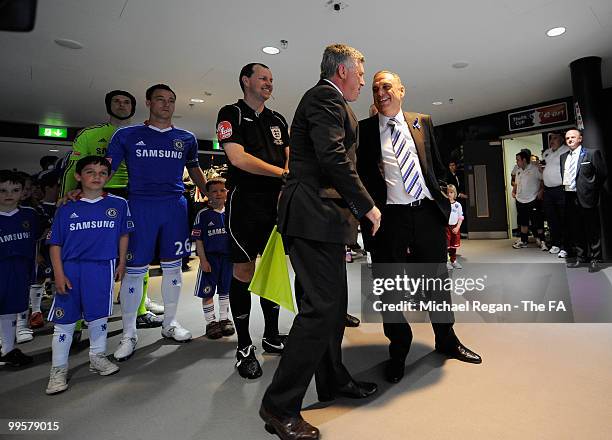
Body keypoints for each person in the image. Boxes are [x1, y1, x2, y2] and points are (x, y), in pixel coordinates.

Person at [260, 44, 381, 440]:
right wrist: (367, 206)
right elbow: (332, 157)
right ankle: (279, 406)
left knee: (332, 308)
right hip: (311, 215)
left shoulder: (332, 101)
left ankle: (333, 381)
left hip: (323, 219)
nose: (363, 81)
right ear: (343, 70)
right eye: (361, 74)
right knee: (320, 310)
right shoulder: (323, 97)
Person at [356, 70, 481, 385]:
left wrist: (443, 190)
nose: (380, 93)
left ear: (401, 90)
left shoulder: (420, 121)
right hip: (389, 218)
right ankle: (398, 346)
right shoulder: (364, 130)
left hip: (426, 213)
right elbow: (356, 176)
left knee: (437, 280)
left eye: (386, 87)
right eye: (374, 89)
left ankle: (446, 338)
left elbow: (434, 164)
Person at [106, 84, 208, 360]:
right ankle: (129, 333)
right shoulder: (126, 135)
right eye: (160, 99)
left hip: (174, 207)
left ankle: (170, 323)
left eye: (171, 100)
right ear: (148, 102)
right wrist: (85, 192)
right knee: (135, 270)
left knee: (173, 267)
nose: (166, 104)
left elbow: (195, 168)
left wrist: (210, 193)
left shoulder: (186, 137)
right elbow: (107, 168)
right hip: (139, 206)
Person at [59, 90, 164, 341]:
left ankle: (139, 309)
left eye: (127, 102)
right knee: (85, 255)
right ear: (109, 106)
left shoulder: (141, 133)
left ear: (134, 107)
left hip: (134, 196)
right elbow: (74, 169)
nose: (122, 105)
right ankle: (74, 322)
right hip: (95, 196)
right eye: (117, 101)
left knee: (138, 253)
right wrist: (66, 198)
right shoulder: (90, 134)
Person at [216, 63, 289, 378]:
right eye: (263, 78)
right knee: (244, 270)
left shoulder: (277, 119)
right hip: (244, 203)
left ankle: (271, 337)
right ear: (245, 80)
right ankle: (244, 347)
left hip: (275, 205)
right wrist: (283, 174)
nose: (269, 83)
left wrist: (286, 176)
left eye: (272, 79)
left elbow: (288, 154)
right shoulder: (230, 113)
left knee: (273, 269)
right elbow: (238, 158)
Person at [45, 156, 132, 394]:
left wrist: (122, 262)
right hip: (70, 268)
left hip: (102, 267)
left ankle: (97, 357)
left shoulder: (119, 204)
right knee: (65, 323)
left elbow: (124, 234)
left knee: (98, 318)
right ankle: (58, 369)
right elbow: (55, 244)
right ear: (78, 176)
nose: (97, 177)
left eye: (103, 172)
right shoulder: (66, 206)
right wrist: (59, 274)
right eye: (91, 172)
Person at [0, 170, 40, 366]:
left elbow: (40, 238)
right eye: (3, 190)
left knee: (11, 309)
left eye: (15, 190)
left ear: (23, 192)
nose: (9, 194)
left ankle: (7, 350)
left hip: (19, 269)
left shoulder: (30, 215)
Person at [191, 178, 234, 339]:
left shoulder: (231, 212)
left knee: (225, 290)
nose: (218, 194)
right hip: (210, 259)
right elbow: (199, 239)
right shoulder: (202, 214)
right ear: (207, 194)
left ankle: (224, 319)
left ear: (227, 193)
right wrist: (203, 260)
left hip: (228, 258)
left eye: (222, 190)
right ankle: (211, 322)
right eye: (214, 191)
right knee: (207, 291)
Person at [560, 129, 607, 273]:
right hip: (570, 197)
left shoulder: (591, 154)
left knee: (592, 230)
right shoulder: (563, 157)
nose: (570, 139)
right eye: (567, 138)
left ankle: (596, 260)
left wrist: (591, 190)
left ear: (580, 138)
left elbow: (602, 174)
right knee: (576, 230)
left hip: (587, 198)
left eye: (573, 137)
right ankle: (581, 258)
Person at [541, 133, 569, 257]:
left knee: (564, 218)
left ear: (562, 140)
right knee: (552, 219)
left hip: (561, 189)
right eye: (551, 138)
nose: (552, 140)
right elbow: (545, 168)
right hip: (548, 191)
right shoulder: (547, 153)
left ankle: (566, 246)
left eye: (555, 138)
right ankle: (556, 244)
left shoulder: (566, 150)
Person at [512, 150, 546, 249]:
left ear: (524, 160)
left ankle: (542, 241)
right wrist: (514, 191)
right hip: (520, 199)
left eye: (518, 160)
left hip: (533, 198)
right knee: (523, 222)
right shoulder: (518, 171)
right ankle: (524, 241)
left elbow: (543, 179)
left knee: (537, 221)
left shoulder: (535, 169)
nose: (516, 162)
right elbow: (516, 183)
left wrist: (541, 191)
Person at [446, 184, 463, 270]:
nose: (449, 194)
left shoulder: (458, 205)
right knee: (446, 246)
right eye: (448, 192)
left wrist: (457, 227)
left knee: (453, 246)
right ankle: (447, 262)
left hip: (455, 227)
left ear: (454, 193)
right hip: (446, 228)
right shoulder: (444, 204)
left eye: (451, 192)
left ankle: (453, 261)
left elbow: (460, 217)